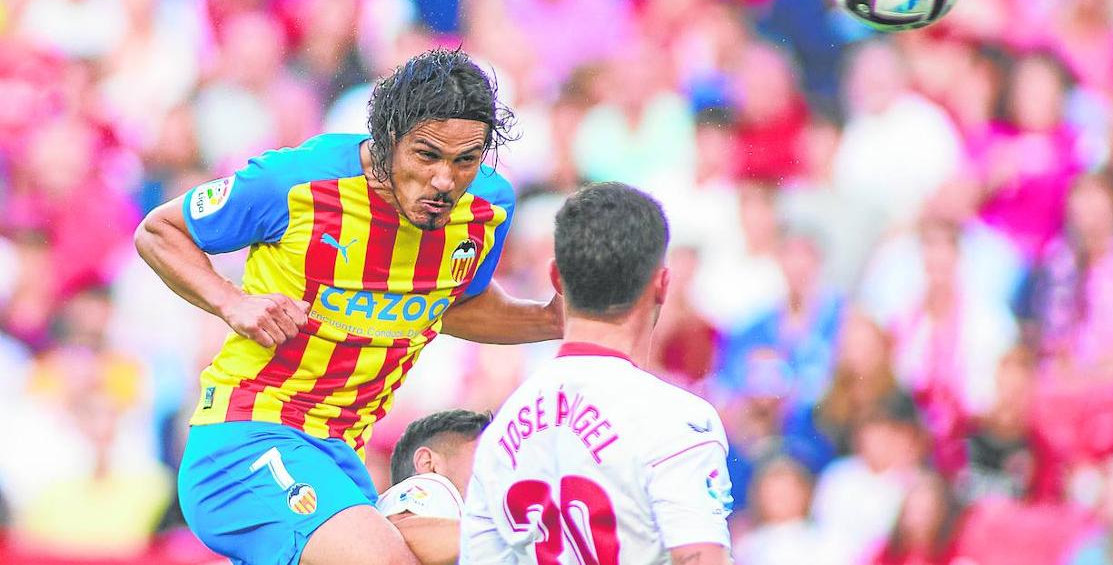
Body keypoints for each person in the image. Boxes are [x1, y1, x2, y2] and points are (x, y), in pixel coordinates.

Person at [134, 49, 564, 565]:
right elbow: (159, 231)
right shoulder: (295, 181)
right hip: (246, 438)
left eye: (465, 160)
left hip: (342, 460)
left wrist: (550, 320)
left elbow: (452, 306)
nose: (445, 180)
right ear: (386, 141)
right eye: (426, 155)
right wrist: (232, 302)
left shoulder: (486, 210)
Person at [461, 182, 733, 564]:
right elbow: (700, 557)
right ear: (662, 284)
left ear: (556, 279)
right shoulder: (680, 419)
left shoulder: (500, 431)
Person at [379, 409, 492, 565]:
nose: (496, 471)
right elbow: (399, 534)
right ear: (428, 463)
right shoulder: (432, 483)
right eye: (484, 456)